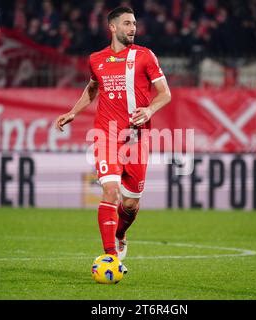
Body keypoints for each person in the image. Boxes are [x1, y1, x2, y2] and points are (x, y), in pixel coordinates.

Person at [55, 7, 171, 270]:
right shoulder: (96, 59)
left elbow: (165, 93)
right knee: (110, 190)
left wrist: (150, 109)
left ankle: (120, 234)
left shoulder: (145, 56)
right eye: (127, 23)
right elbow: (93, 86)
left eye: (134, 24)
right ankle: (110, 257)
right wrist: (73, 112)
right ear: (113, 27)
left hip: (137, 139)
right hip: (106, 135)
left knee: (130, 205)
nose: (133, 28)